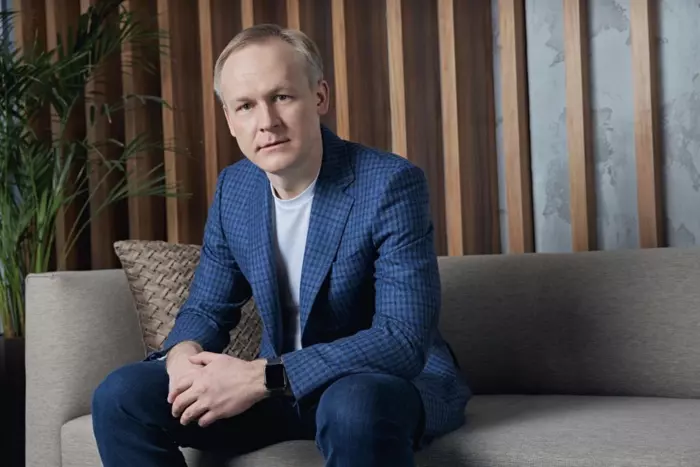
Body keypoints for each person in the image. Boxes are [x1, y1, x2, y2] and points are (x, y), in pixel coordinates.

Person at [91, 23, 470, 467]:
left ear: (319, 96)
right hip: (273, 391)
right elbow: (207, 309)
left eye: (282, 97)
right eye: (246, 106)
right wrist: (181, 356)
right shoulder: (235, 189)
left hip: (373, 386)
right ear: (230, 120)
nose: (266, 122)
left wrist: (263, 376)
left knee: (353, 407)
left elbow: (401, 340)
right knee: (121, 395)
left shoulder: (389, 184)